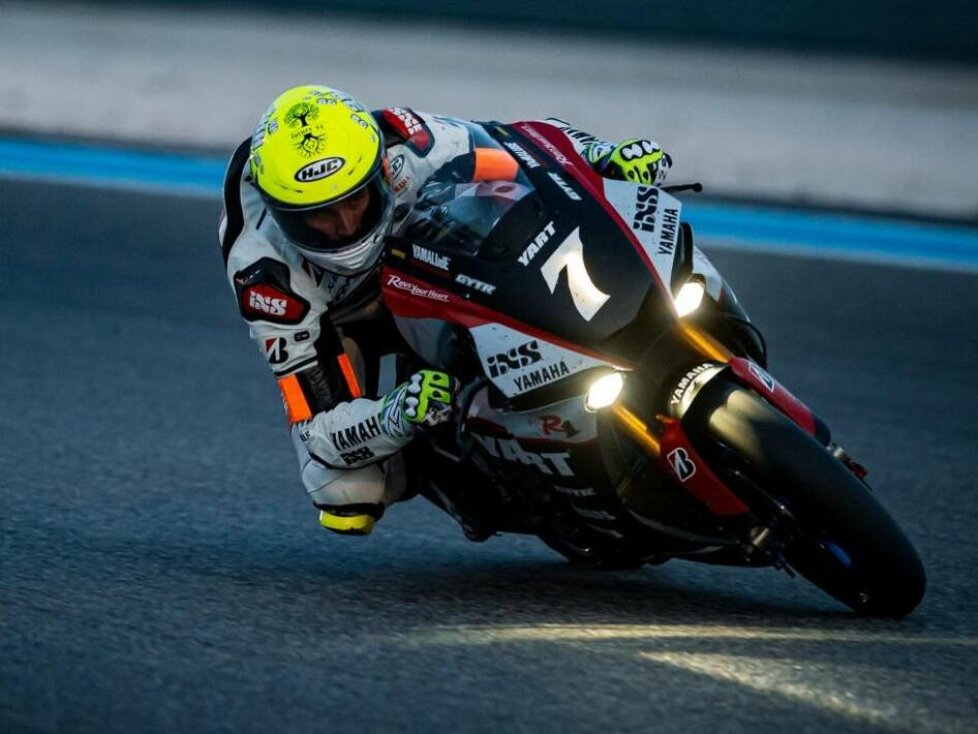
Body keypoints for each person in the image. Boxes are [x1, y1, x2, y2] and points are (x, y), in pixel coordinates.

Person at [219, 85, 672, 536]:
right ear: (282, 215)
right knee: (344, 488)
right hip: (340, 316)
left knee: (497, 192)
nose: (345, 226)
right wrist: (395, 414)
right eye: (320, 216)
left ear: (381, 170)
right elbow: (318, 430)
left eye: (355, 201)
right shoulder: (265, 275)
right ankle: (439, 465)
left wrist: (600, 155)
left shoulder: (407, 143)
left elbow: (518, 143)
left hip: (411, 254)